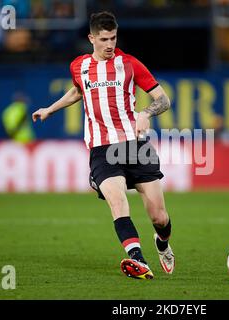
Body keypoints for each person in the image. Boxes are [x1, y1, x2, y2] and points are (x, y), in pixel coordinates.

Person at [32, 11, 174, 280]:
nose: (110, 44)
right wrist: (50, 109)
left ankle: (163, 243)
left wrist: (145, 113)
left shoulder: (130, 64)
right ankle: (138, 261)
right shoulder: (79, 66)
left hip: (135, 146)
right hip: (102, 150)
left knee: (159, 216)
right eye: (104, 39)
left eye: (114, 38)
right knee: (118, 203)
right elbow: (78, 90)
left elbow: (163, 99)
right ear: (91, 38)